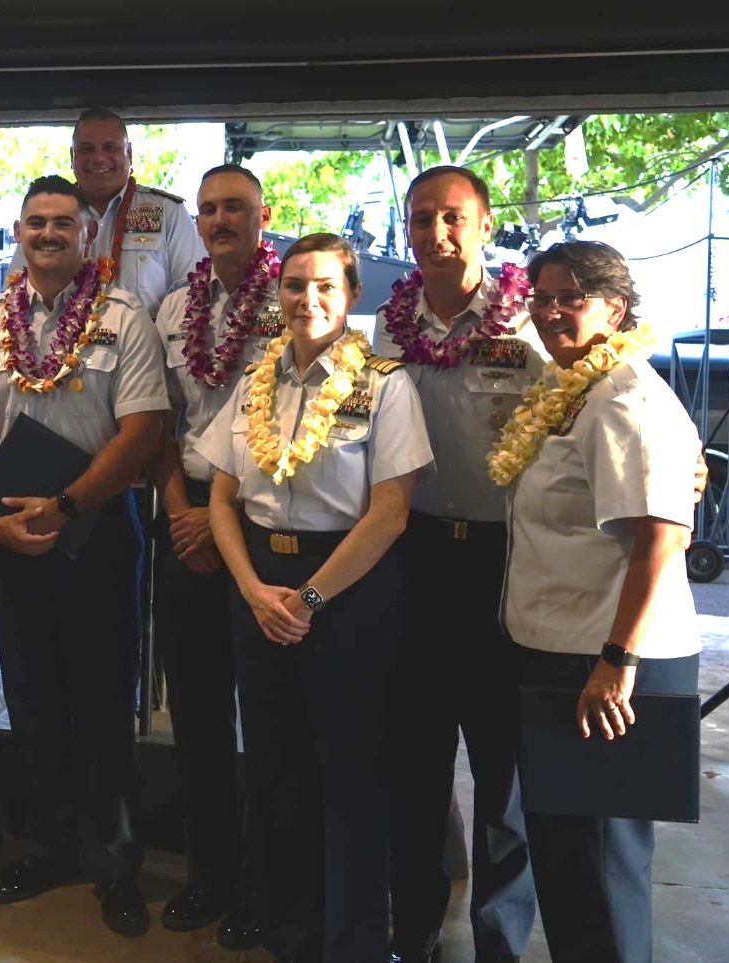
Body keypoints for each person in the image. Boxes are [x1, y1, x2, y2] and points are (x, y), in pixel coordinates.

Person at [199, 233, 432, 962]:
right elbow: (221, 499)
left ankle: (354, 940)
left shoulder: (385, 384)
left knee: (351, 771)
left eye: (325, 286)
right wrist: (250, 589)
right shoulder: (254, 383)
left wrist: (308, 599)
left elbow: (389, 512)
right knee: (274, 765)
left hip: (346, 589)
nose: (308, 299)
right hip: (260, 581)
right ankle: (288, 929)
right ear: (279, 294)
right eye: (295, 284)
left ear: (351, 294)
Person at [0, 175, 169, 937]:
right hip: (12, 539)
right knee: (33, 699)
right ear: (18, 230)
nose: (47, 235)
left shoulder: (124, 318)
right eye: (36, 223)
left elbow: (140, 431)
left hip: (97, 534)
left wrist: (68, 503)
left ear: (86, 236)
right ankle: (44, 845)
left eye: (62, 225)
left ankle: (115, 862)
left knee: (104, 704)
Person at [494, 240, 700, 963]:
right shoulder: (573, 388)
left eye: (570, 298)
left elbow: (660, 541)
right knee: (570, 865)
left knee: (602, 871)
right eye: (541, 297)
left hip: (607, 662)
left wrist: (616, 660)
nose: (551, 312)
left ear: (616, 307)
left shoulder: (625, 398)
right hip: (564, 652)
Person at [374, 165, 541, 963]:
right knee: (415, 756)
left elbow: (603, 386)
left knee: (505, 771)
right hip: (417, 556)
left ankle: (500, 942)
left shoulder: (530, 322)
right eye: (420, 219)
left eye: (451, 218)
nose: (435, 234)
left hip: (507, 562)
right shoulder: (385, 326)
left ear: (483, 223)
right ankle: (414, 931)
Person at [150, 163, 283, 946]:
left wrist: (220, 516)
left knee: (267, 719)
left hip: (263, 524)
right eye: (208, 210)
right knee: (196, 714)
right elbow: (160, 421)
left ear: (264, 215)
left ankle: (266, 888)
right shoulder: (175, 308)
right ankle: (210, 874)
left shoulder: (294, 298)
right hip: (188, 521)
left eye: (235, 206)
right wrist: (182, 513)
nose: (221, 219)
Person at [7, 107, 200, 319]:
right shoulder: (47, 218)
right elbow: (17, 291)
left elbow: (192, 296)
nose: (98, 158)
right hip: (61, 346)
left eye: (110, 147)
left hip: (149, 346)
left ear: (129, 153)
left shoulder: (168, 213)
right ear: (72, 156)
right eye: (87, 149)